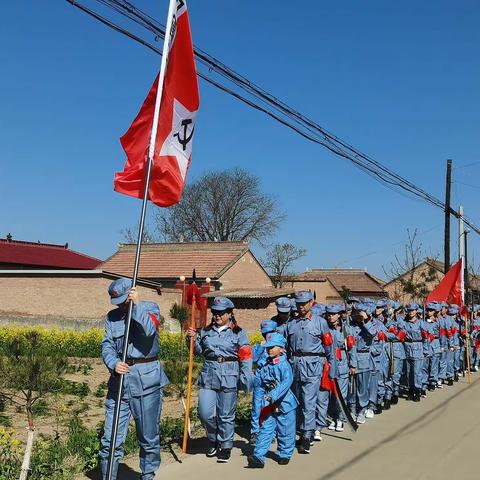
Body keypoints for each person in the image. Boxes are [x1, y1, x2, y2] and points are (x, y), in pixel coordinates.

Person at [99, 277, 169, 480]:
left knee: (148, 437)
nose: (121, 305)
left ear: (131, 293)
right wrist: (113, 363)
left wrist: (136, 305)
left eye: (123, 299)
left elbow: (149, 331)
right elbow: (107, 345)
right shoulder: (112, 317)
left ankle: (148, 475)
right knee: (110, 440)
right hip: (119, 383)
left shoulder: (150, 308)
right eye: (117, 301)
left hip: (147, 381)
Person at [186, 296, 252, 463]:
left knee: (225, 415)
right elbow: (198, 351)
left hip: (230, 376)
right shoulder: (206, 331)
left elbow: (246, 357)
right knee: (205, 412)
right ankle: (213, 437)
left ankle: (225, 445)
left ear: (230, 313)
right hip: (209, 375)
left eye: (221, 313)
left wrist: (245, 378)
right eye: (215, 313)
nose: (217, 316)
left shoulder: (239, 333)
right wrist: (191, 339)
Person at [285, 290, 336, 453]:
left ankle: (307, 435)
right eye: (298, 304)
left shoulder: (320, 322)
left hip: (313, 366)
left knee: (309, 401)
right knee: (298, 401)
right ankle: (301, 431)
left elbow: (329, 347)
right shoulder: (291, 323)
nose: (300, 307)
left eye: (303, 304)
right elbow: (286, 348)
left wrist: (332, 368)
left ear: (311, 303)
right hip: (295, 366)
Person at [247, 332, 298, 468]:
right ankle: (258, 456)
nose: (269, 350)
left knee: (285, 430)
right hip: (269, 405)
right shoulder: (267, 364)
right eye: (268, 347)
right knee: (265, 429)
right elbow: (261, 380)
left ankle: (284, 453)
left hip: (284, 404)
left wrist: (273, 395)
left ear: (282, 348)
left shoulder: (284, 365)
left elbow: (286, 382)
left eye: (273, 347)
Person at [347, 302, 377, 424]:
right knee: (351, 387)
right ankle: (352, 409)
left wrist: (365, 320)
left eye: (359, 312)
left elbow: (372, 333)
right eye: (355, 312)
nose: (357, 315)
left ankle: (362, 409)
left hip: (363, 357)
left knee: (362, 388)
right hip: (350, 357)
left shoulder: (370, 325)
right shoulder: (350, 325)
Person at [250, 319, 278, 445]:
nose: (267, 335)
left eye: (270, 332)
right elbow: (254, 359)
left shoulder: (278, 346)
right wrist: (261, 347)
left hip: (272, 379)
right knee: (257, 405)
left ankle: (270, 432)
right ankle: (255, 431)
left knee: (271, 406)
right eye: (265, 333)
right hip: (259, 377)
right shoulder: (258, 346)